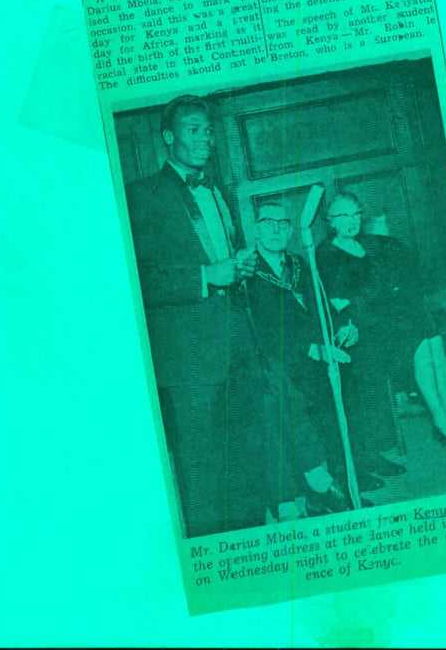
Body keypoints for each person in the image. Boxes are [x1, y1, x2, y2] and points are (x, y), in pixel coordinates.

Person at [125, 94, 265, 537]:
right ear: (169, 137)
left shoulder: (217, 192)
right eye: (193, 130)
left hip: (236, 343)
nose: (205, 139)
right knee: (200, 461)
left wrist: (238, 265)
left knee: (243, 446)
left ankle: (249, 541)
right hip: (187, 358)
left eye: (208, 130)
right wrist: (205, 275)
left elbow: (222, 258)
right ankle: (212, 556)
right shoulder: (141, 195)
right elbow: (133, 281)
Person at [316, 192, 446, 468]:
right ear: (330, 221)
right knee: (419, 336)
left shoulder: (369, 244)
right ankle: (442, 423)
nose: (351, 221)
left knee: (432, 337)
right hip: (364, 326)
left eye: (356, 214)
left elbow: (399, 269)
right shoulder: (327, 253)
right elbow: (339, 302)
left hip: (390, 315)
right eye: (343, 215)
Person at [242, 200, 366, 516]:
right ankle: (318, 484)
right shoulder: (247, 273)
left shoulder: (299, 264)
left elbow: (322, 305)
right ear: (255, 229)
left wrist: (342, 327)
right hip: (278, 362)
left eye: (283, 223)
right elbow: (263, 331)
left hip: (316, 359)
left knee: (340, 393)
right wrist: (313, 350)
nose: (276, 229)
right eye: (268, 222)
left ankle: (336, 477)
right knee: (285, 396)